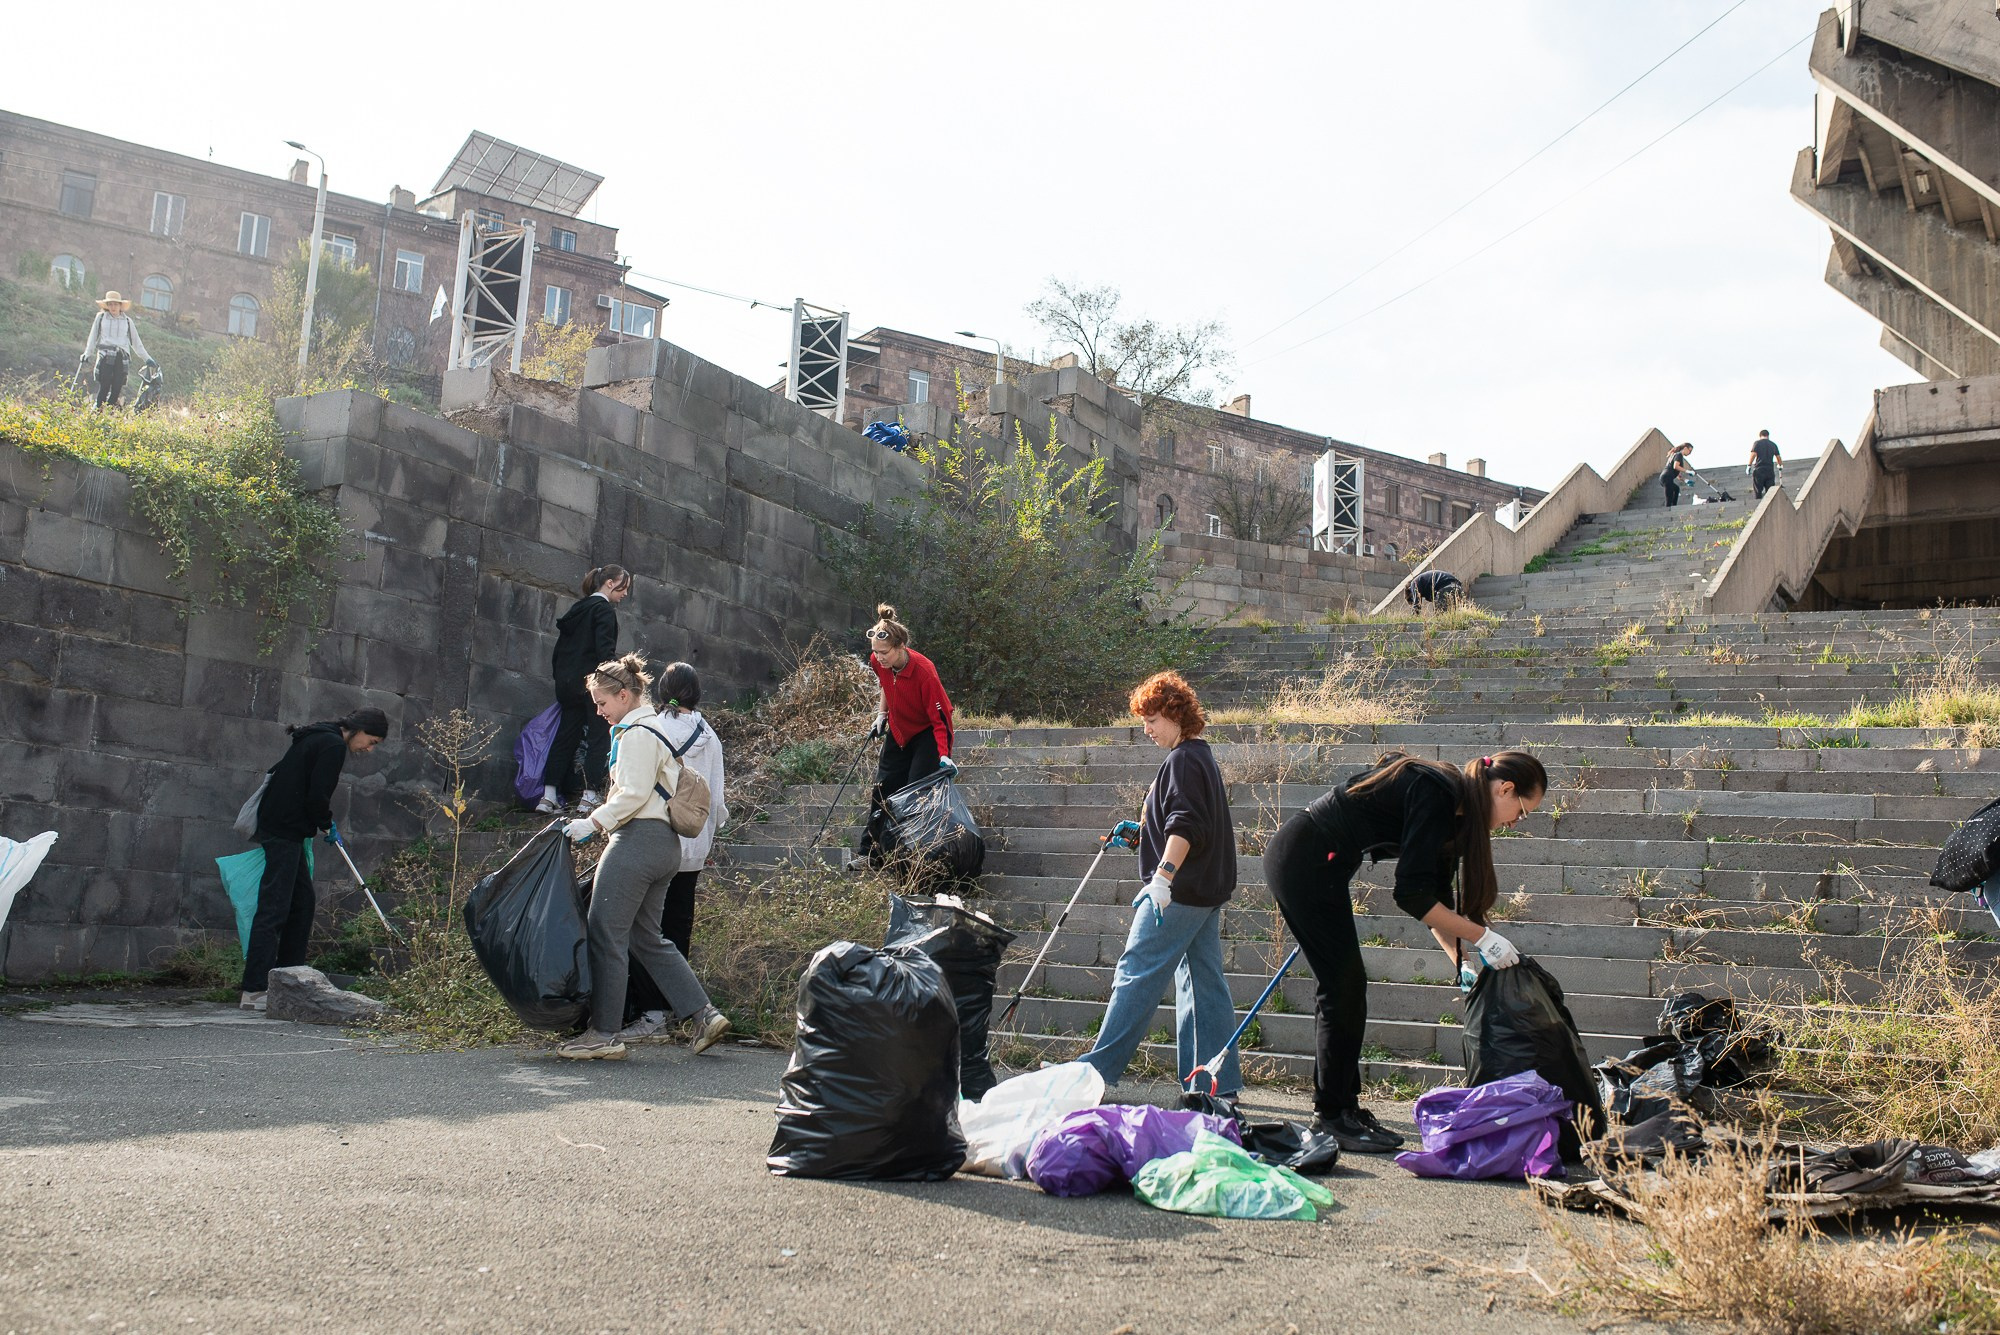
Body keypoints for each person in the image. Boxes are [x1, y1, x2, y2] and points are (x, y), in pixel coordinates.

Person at [1265, 750, 1547, 1152]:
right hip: (1303, 856)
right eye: (1521, 812)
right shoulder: (1438, 792)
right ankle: (1331, 1113)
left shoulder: (1458, 816)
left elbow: (1434, 904)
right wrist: (1484, 937)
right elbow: (1410, 895)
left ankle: (1345, 1107)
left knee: (1346, 984)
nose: (1514, 823)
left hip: (1327, 863)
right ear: (1505, 788)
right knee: (1342, 984)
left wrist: (1464, 961)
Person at [1079, 671, 1243, 1106]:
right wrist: (1143, 830)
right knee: (1203, 985)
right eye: (1144, 721)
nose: (1147, 729)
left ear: (1175, 714)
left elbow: (1186, 825)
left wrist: (1162, 879)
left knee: (1135, 973)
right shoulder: (1200, 756)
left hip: (1180, 893)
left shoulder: (1183, 760)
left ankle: (1093, 1075)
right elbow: (1186, 821)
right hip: (1205, 892)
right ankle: (1213, 1083)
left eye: (1152, 719)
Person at [557, 654, 730, 1061]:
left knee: (604, 930)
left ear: (623, 695)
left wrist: (593, 823)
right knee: (647, 938)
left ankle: (603, 1034)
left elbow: (633, 794)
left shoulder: (636, 733)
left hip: (636, 841)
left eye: (602, 703)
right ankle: (704, 1014)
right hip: (667, 846)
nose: (599, 712)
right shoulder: (656, 729)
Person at [239, 707, 391, 1010]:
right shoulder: (333, 745)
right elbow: (317, 795)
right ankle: (255, 989)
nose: (369, 748)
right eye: (371, 741)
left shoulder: (318, 735)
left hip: (283, 827)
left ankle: (288, 980)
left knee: (301, 904)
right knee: (275, 908)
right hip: (285, 829)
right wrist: (325, 821)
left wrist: (319, 821)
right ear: (359, 729)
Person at [618, 661, 729, 1040]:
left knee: (644, 929)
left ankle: (650, 1016)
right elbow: (717, 802)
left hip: (654, 839)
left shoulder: (652, 727)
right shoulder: (710, 736)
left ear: (661, 690)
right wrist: (705, 840)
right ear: (696, 693)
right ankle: (682, 1013)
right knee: (677, 927)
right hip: (693, 844)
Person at [538, 566, 630, 815]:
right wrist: (616, 679)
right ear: (611, 583)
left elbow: (559, 653)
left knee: (565, 736)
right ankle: (589, 797)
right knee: (599, 736)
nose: (624, 595)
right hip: (593, 685)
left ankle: (547, 797)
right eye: (624, 588)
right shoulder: (603, 611)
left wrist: (563, 680)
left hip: (566, 686)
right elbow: (605, 653)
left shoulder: (576, 610)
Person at [865, 603, 955, 800]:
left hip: (926, 733)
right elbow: (886, 685)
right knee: (883, 790)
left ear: (900, 646)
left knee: (915, 791)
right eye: (876, 651)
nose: (879, 657)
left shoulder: (925, 672)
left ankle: (915, 831)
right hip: (899, 731)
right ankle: (877, 832)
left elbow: (941, 719)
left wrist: (945, 755)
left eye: (884, 652)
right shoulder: (877, 661)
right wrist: (882, 714)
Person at [79, 291, 155, 409]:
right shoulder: (101, 318)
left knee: (116, 387)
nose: (113, 307)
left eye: (115, 304)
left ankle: (108, 413)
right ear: (107, 306)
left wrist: (147, 358)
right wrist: (87, 353)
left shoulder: (127, 321)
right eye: (110, 304)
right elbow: (93, 337)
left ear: (120, 306)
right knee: (104, 386)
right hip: (105, 355)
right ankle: (96, 412)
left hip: (121, 356)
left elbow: (135, 342)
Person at [1748, 430, 1783, 501]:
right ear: (1768, 435)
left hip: (1759, 469)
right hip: (1769, 470)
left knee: (1758, 490)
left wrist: (1749, 465)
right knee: (1770, 492)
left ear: (1760, 436)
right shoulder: (1773, 444)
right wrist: (1780, 465)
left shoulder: (1757, 443)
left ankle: (1758, 504)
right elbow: (1778, 457)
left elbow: (1753, 454)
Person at [1660, 443, 1693, 507]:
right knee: (1669, 498)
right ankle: (1669, 511)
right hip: (1667, 477)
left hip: (1666, 477)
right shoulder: (1679, 455)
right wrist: (1687, 471)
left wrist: (1685, 480)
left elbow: (1675, 472)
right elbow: (1675, 466)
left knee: (1676, 489)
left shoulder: (1676, 455)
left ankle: (1673, 506)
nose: (1690, 453)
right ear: (1685, 448)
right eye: (1690, 450)